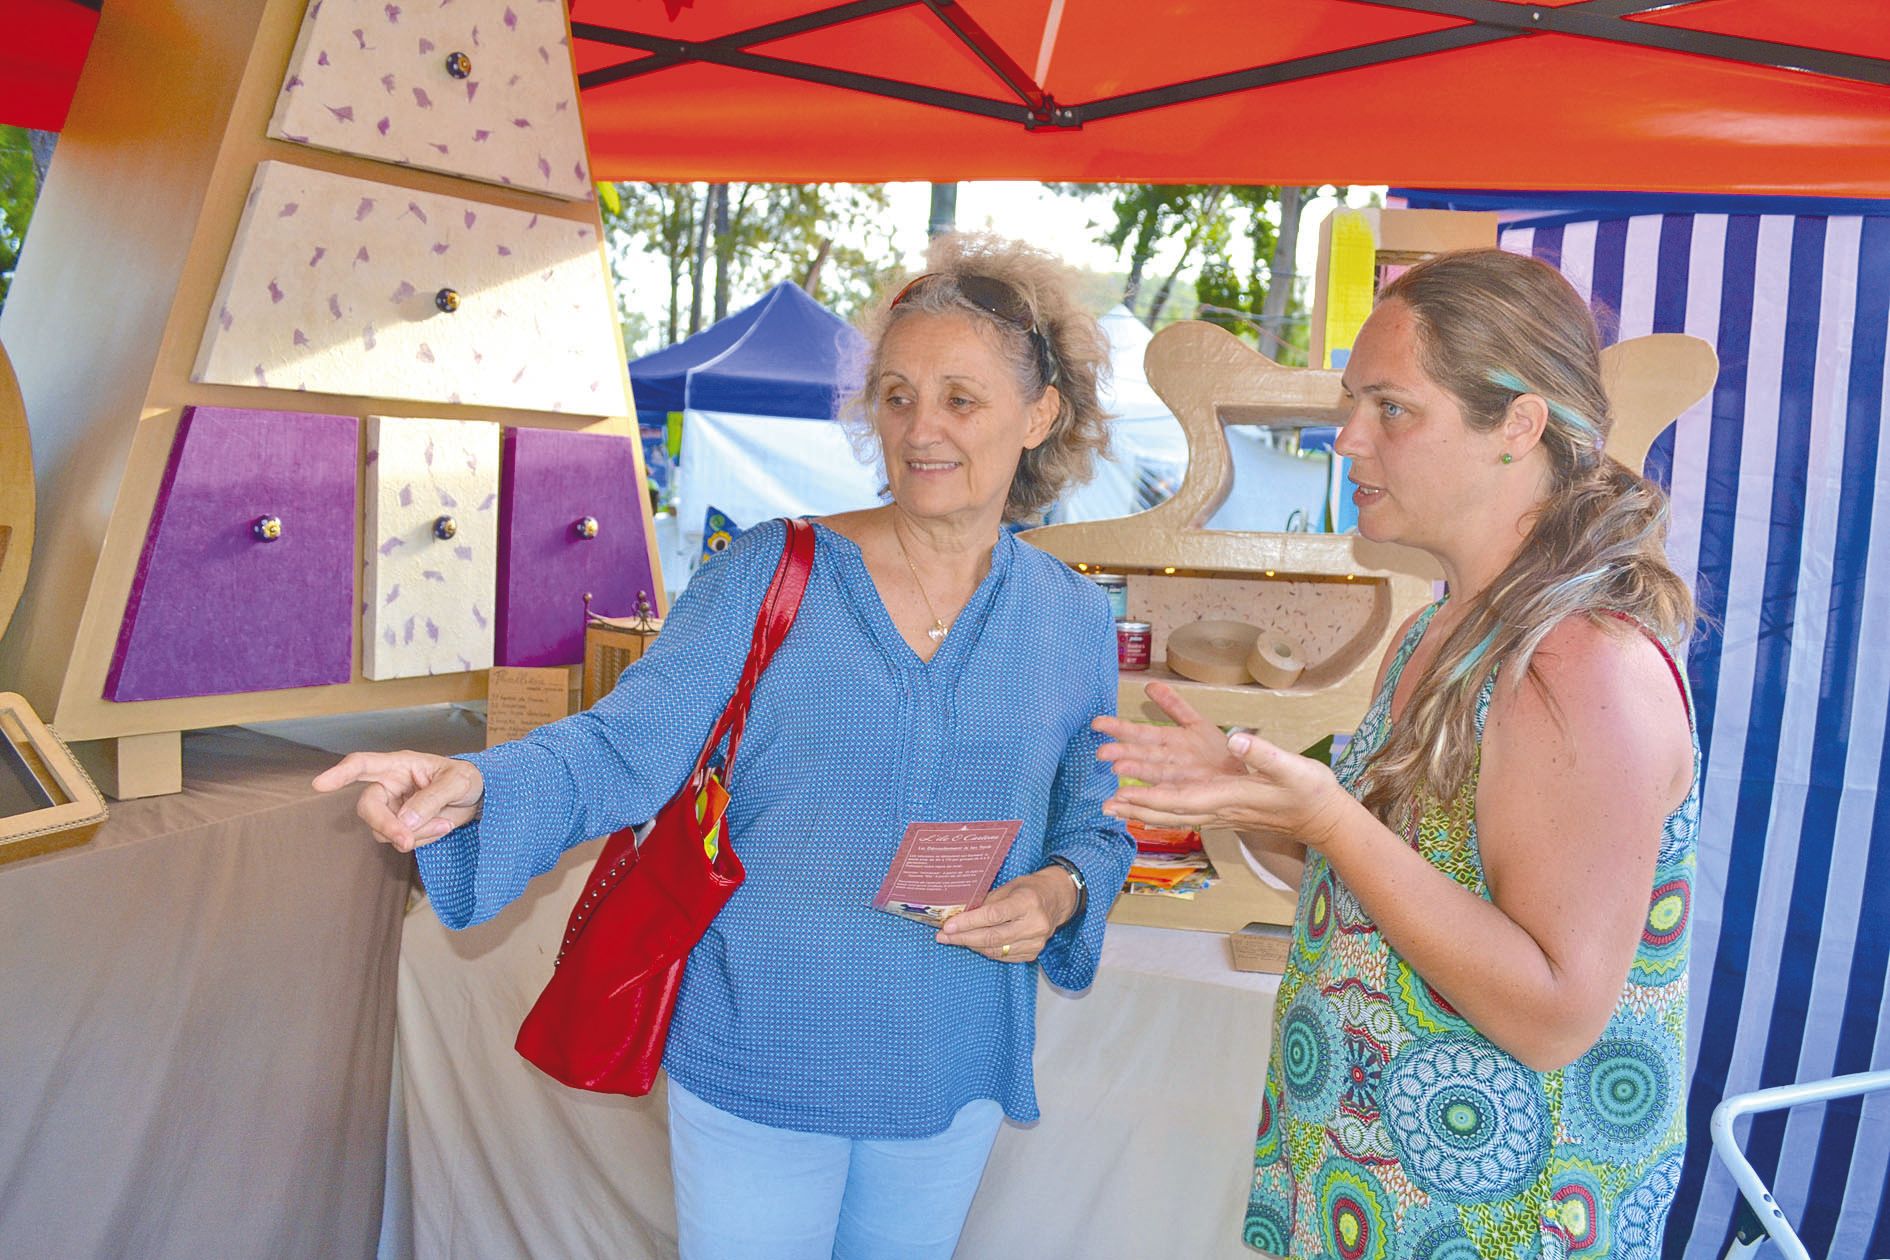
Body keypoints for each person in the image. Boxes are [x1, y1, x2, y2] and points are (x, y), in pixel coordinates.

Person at [315, 231, 1133, 1260]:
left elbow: (1096, 822)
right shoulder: (770, 573)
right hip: (762, 1044)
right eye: (897, 395)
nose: (921, 428)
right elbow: (624, 746)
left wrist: (1060, 890)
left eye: (960, 399)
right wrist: (475, 782)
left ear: (1041, 413)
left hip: (949, 1054)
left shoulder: (1072, 619)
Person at [1096, 249, 1699, 1259]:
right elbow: (1388, 886)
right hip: (1369, 1191)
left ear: (1518, 426)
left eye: (1392, 408)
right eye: (1353, 404)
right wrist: (1249, 799)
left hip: (1491, 1221)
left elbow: (1552, 1015)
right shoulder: (1435, 631)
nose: (1347, 437)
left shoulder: (1582, 665)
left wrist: (1330, 819)